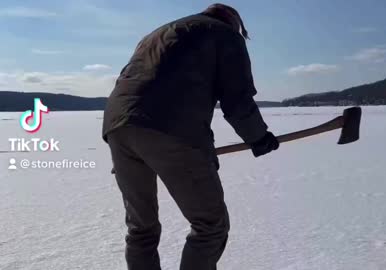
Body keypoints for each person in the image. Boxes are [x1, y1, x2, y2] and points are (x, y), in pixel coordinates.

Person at [102, 3, 279, 270]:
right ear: (233, 23)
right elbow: (237, 99)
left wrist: (129, 147)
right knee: (210, 226)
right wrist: (258, 137)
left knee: (141, 228)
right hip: (172, 129)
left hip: (118, 126)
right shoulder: (224, 35)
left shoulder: (156, 35)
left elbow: (131, 83)